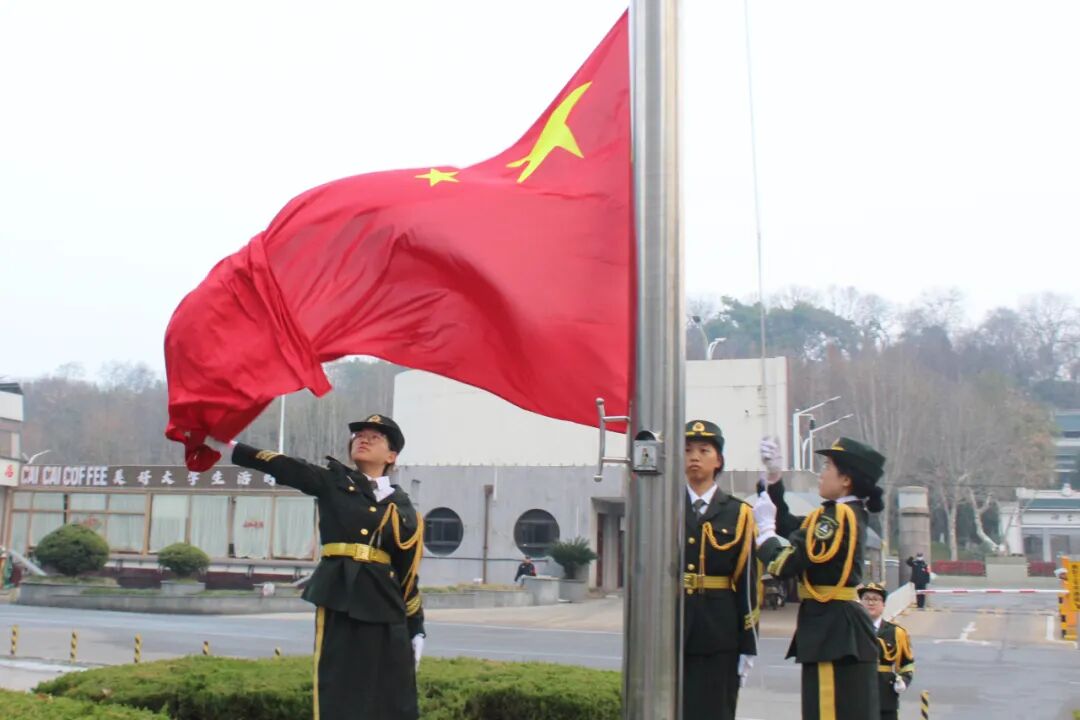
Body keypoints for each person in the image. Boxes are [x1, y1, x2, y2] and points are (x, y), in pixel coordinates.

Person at [206, 413, 424, 720]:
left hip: (386, 604)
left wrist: (417, 628)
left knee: (392, 694)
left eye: (374, 437)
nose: (363, 440)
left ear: (391, 455)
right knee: (340, 687)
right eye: (359, 435)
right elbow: (285, 467)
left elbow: (407, 576)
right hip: (342, 595)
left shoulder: (403, 508)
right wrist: (227, 446)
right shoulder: (334, 482)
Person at [753, 437, 886, 720]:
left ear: (846, 480)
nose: (821, 474)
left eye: (827, 467)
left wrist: (764, 535)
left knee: (827, 711)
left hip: (831, 626)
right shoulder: (841, 514)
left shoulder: (836, 516)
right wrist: (775, 480)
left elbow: (787, 563)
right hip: (837, 623)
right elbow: (791, 526)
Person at [682, 420, 759, 720]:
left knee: (716, 709)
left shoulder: (738, 513)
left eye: (704, 450)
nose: (694, 457)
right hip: (673, 625)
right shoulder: (666, 507)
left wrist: (749, 642)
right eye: (688, 450)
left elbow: (748, 583)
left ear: (719, 460)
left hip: (719, 630)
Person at [858, 582, 915, 720]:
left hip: (885, 695)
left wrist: (904, 680)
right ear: (860, 603)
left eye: (875, 599)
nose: (871, 603)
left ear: (883, 605)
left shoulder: (896, 632)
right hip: (857, 694)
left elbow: (907, 664)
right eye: (866, 598)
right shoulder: (852, 630)